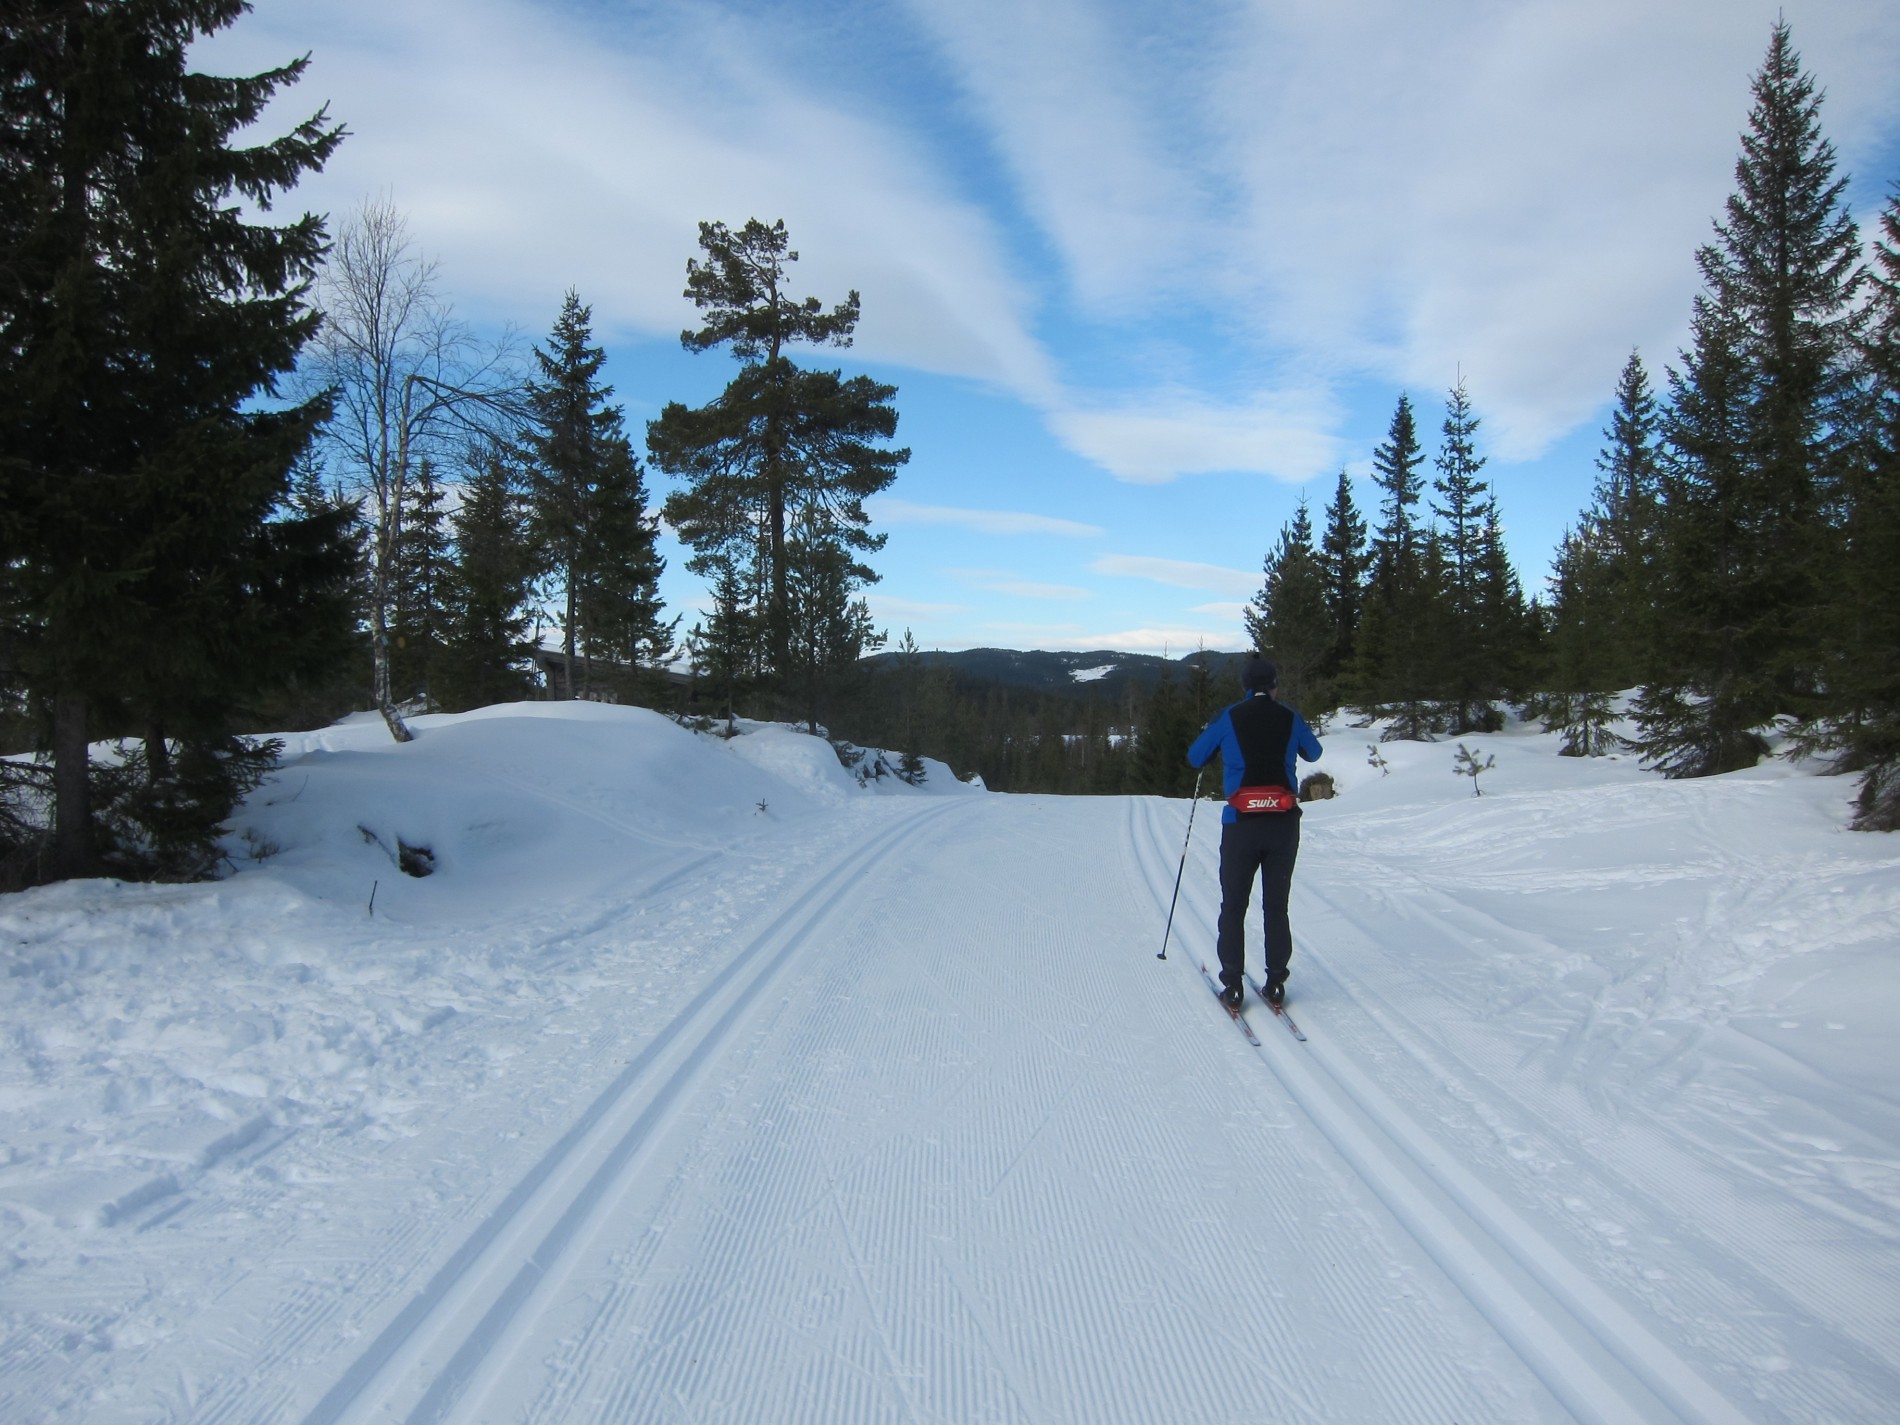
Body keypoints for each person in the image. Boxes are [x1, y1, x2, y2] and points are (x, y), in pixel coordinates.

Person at [1187, 657, 1323, 1010]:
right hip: (1283, 824)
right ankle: (1276, 982)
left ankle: (1233, 986)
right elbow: (1314, 751)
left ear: (1245, 686)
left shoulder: (1228, 716)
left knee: (1233, 905)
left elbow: (1195, 757)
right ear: (1275, 685)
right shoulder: (1289, 716)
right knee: (1276, 906)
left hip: (1241, 826)